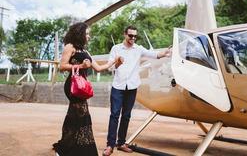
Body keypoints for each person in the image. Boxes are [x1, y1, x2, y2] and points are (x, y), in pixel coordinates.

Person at [53, 22, 122, 156]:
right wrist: (81, 66)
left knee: (75, 117)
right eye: (87, 33)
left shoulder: (85, 51)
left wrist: (114, 62)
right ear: (80, 34)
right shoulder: (70, 47)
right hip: (73, 86)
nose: (89, 36)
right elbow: (62, 66)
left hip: (82, 87)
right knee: (81, 116)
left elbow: (99, 68)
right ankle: (70, 150)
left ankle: (66, 148)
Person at [102, 25, 171, 156]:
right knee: (114, 115)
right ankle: (110, 145)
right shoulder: (116, 48)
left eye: (135, 36)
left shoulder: (138, 49)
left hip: (132, 87)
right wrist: (118, 63)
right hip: (118, 87)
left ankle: (121, 143)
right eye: (130, 36)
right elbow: (110, 68)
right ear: (124, 34)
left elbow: (155, 54)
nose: (133, 38)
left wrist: (166, 53)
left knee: (126, 116)